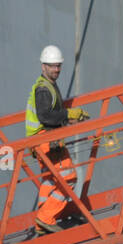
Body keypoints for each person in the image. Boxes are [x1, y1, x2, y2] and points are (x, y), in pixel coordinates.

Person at [26, 45, 89, 234]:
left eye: (58, 66)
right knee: (68, 178)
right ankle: (46, 218)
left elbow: (50, 115)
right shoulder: (44, 89)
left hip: (42, 140)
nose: (57, 70)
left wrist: (68, 117)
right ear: (43, 66)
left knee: (50, 180)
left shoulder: (47, 85)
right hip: (46, 140)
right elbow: (46, 116)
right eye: (53, 66)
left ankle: (42, 221)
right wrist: (69, 113)